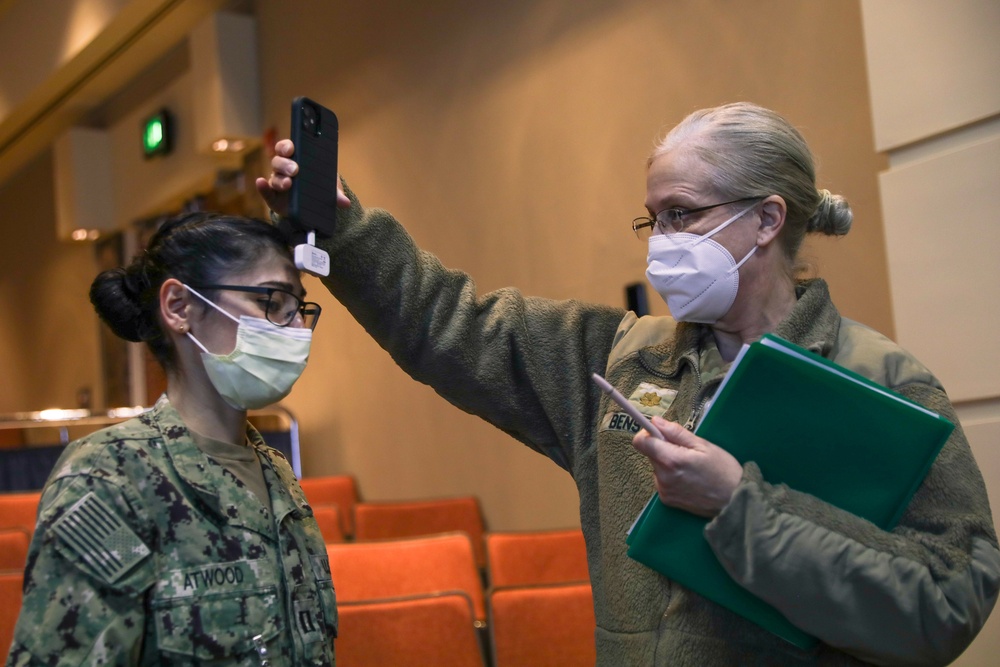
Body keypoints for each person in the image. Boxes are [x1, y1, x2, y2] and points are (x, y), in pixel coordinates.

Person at [257, 101, 999, 665]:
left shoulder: (883, 384)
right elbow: (449, 323)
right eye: (654, 220)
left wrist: (741, 506)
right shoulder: (621, 357)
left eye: (683, 214)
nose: (663, 243)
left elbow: (947, 598)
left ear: (767, 219)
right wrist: (348, 235)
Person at [5, 213, 337, 666]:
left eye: (299, 309)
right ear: (180, 307)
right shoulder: (109, 476)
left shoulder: (274, 471)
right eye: (273, 302)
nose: (297, 329)